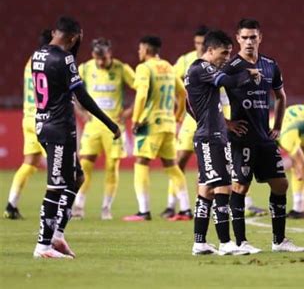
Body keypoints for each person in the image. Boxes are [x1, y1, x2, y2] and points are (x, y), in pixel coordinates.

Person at [32, 16, 120, 258]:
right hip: (58, 127)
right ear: (72, 38)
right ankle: (43, 247)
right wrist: (110, 122)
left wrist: (74, 43)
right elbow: (82, 95)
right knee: (56, 186)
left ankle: (57, 236)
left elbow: (62, 70)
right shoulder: (66, 58)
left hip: (44, 123)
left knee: (76, 178)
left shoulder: (38, 55)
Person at [223, 19, 304, 254]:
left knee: (281, 184)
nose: (249, 41)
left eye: (253, 37)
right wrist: (227, 123)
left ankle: (279, 241)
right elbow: (204, 98)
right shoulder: (231, 67)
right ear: (237, 39)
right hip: (242, 139)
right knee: (239, 187)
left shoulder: (270, 65)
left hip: (265, 138)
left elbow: (280, 96)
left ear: (260, 38)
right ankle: (240, 242)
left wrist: (278, 125)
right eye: (245, 37)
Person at [186, 30, 257, 255]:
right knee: (222, 187)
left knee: (206, 190)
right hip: (209, 138)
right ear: (210, 50)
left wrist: (220, 122)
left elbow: (191, 105)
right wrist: (249, 74)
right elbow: (228, 80)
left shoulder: (198, 72)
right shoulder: (200, 67)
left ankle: (199, 242)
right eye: (224, 53)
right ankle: (226, 243)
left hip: (212, 134)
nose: (227, 58)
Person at [122, 36, 188, 222]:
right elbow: (183, 92)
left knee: (141, 163)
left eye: (140, 49)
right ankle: (185, 209)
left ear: (145, 49)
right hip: (168, 123)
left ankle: (143, 211)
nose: (139, 52)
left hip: (150, 123)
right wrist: (178, 116)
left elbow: (142, 94)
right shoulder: (167, 66)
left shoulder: (144, 68)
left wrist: (135, 119)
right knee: (172, 166)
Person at [71, 38, 135, 220]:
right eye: (98, 58)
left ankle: (106, 207)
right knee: (85, 167)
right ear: (93, 55)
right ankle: (79, 206)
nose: (101, 62)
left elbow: (141, 88)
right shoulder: (85, 68)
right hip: (93, 127)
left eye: (104, 58)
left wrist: (129, 111)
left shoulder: (121, 69)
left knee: (111, 167)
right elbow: (72, 90)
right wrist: (80, 112)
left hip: (114, 127)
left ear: (110, 54)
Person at [161, 25, 210, 220]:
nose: (199, 47)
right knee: (179, 161)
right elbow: (168, 81)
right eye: (197, 43)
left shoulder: (216, 61)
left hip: (209, 118)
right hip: (190, 118)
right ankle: (171, 204)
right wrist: (178, 104)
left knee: (207, 162)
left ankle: (204, 204)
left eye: (203, 43)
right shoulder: (186, 60)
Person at [3, 29, 52, 220]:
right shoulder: (47, 61)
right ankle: (53, 210)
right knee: (57, 165)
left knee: (29, 163)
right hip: (44, 119)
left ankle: (11, 205)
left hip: (28, 118)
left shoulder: (29, 62)